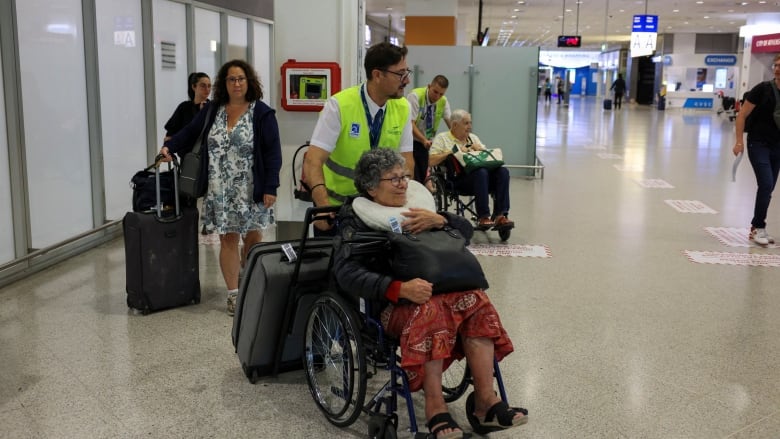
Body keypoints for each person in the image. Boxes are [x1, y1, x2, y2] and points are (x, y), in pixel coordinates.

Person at [333, 148, 527, 439]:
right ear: (371, 187)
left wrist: (442, 221)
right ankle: (435, 407)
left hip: (444, 292)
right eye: (393, 179)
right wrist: (399, 288)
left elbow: (463, 232)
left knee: (478, 303)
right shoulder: (357, 218)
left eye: (404, 176)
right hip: (393, 304)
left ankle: (486, 402)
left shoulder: (418, 205)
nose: (402, 183)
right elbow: (346, 272)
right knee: (431, 311)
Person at [160, 60, 282, 315]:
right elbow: (190, 132)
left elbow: (273, 153)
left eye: (240, 79)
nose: (236, 84)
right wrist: (169, 148)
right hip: (220, 188)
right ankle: (234, 294)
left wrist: (271, 186)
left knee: (252, 238)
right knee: (228, 239)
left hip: (252, 188)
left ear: (249, 82)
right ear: (223, 84)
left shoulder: (262, 113)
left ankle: (247, 280)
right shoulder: (213, 110)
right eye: (231, 79)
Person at [304, 42, 415, 235]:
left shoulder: (403, 108)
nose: (406, 81)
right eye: (400, 74)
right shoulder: (339, 106)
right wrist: (322, 208)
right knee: (333, 263)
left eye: (407, 72)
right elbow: (313, 160)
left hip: (380, 210)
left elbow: (408, 163)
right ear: (377, 75)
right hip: (337, 209)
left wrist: (401, 202)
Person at [429, 109, 513, 230]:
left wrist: (479, 149)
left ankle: (501, 215)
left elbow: (487, 159)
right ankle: (483, 216)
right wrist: (453, 152)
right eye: (466, 123)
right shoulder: (442, 138)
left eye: (470, 123)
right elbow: (431, 160)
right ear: (454, 125)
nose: (470, 127)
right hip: (458, 180)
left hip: (481, 179)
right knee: (481, 172)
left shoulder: (473, 138)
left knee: (503, 172)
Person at [734, 54, 780, 246]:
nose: (777, 68)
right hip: (758, 143)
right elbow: (742, 115)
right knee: (766, 183)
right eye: (776, 65)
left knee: (769, 188)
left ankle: (757, 228)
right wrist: (739, 142)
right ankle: (758, 227)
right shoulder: (762, 89)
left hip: (778, 145)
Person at [407, 75, 452, 184]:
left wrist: (460, 137)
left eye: (441, 94)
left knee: (423, 176)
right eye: (435, 92)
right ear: (429, 86)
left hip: (426, 142)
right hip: (410, 140)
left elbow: (450, 123)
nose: (437, 96)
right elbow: (410, 124)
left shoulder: (443, 101)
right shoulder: (415, 96)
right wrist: (423, 140)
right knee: (414, 175)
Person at [164, 72, 211, 141]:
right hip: (186, 150)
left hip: (207, 149)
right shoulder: (184, 107)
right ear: (194, 87)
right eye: (203, 85)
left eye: (209, 86)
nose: (207, 89)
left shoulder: (213, 107)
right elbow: (171, 132)